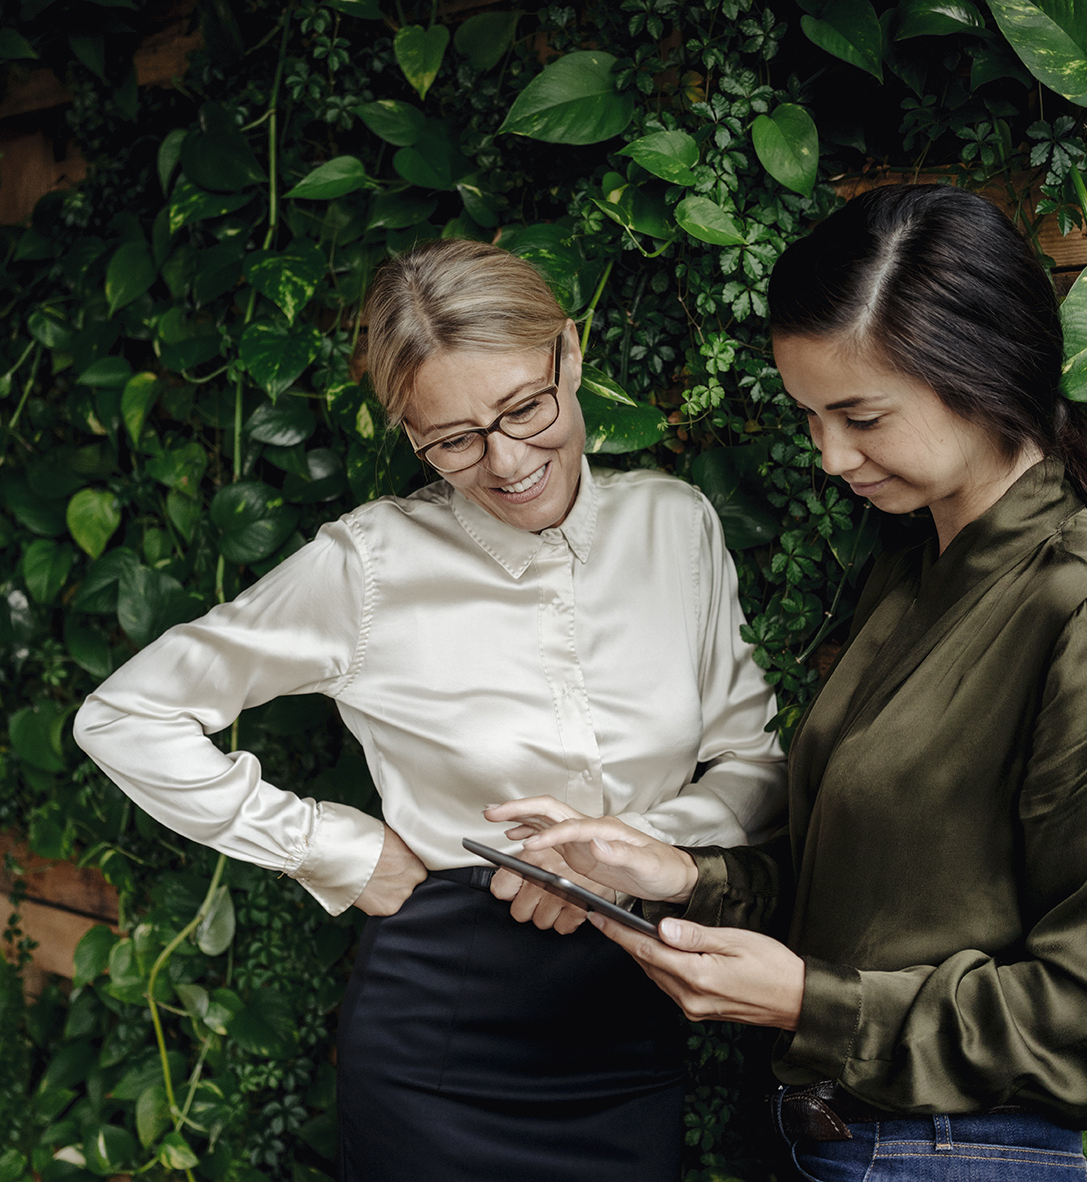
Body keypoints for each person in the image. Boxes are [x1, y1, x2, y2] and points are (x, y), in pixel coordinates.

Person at [491, 184, 1087, 1182]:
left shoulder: (1086, 617)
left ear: (986, 373)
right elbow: (870, 912)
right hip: (846, 1145)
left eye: (860, 416)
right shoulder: (912, 570)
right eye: (810, 418)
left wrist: (809, 1005)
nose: (830, 456)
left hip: (960, 1154)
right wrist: (673, 875)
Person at [72, 237, 786, 1181]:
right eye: (452, 440)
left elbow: (757, 764)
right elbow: (124, 716)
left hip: (628, 1024)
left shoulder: (676, 523)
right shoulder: (367, 563)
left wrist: (641, 850)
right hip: (440, 1028)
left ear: (570, 356)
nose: (506, 462)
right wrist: (335, 848)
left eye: (526, 408)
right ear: (409, 434)